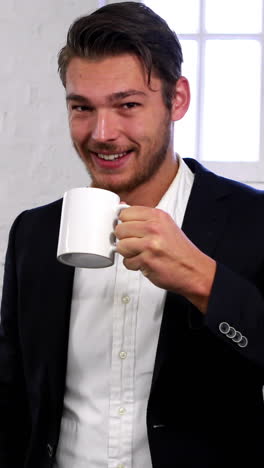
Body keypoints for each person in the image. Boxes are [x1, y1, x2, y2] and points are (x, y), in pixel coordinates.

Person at [1, 2, 264, 467]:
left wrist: (206, 281)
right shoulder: (34, 233)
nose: (102, 133)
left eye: (127, 105)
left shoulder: (253, 220)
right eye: (82, 107)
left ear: (176, 99)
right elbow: (15, 393)